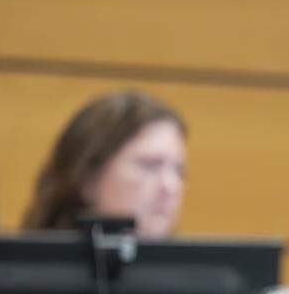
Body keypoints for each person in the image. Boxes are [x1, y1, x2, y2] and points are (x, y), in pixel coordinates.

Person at [22, 90, 187, 238]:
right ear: (88, 178)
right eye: (150, 166)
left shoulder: (194, 269)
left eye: (179, 171)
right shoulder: (20, 268)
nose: (170, 187)